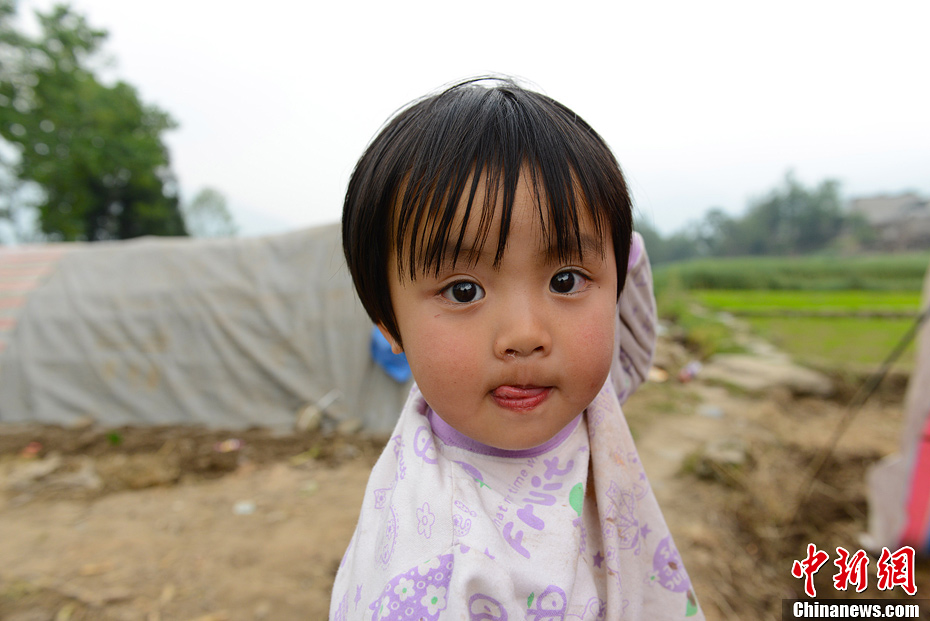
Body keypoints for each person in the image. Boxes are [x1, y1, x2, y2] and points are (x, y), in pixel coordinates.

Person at [332, 77, 702, 620]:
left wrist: (613, 238)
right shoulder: (438, 577)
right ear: (389, 322)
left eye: (566, 280)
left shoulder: (582, 401)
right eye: (464, 291)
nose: (526, 334)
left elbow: (628, 349)